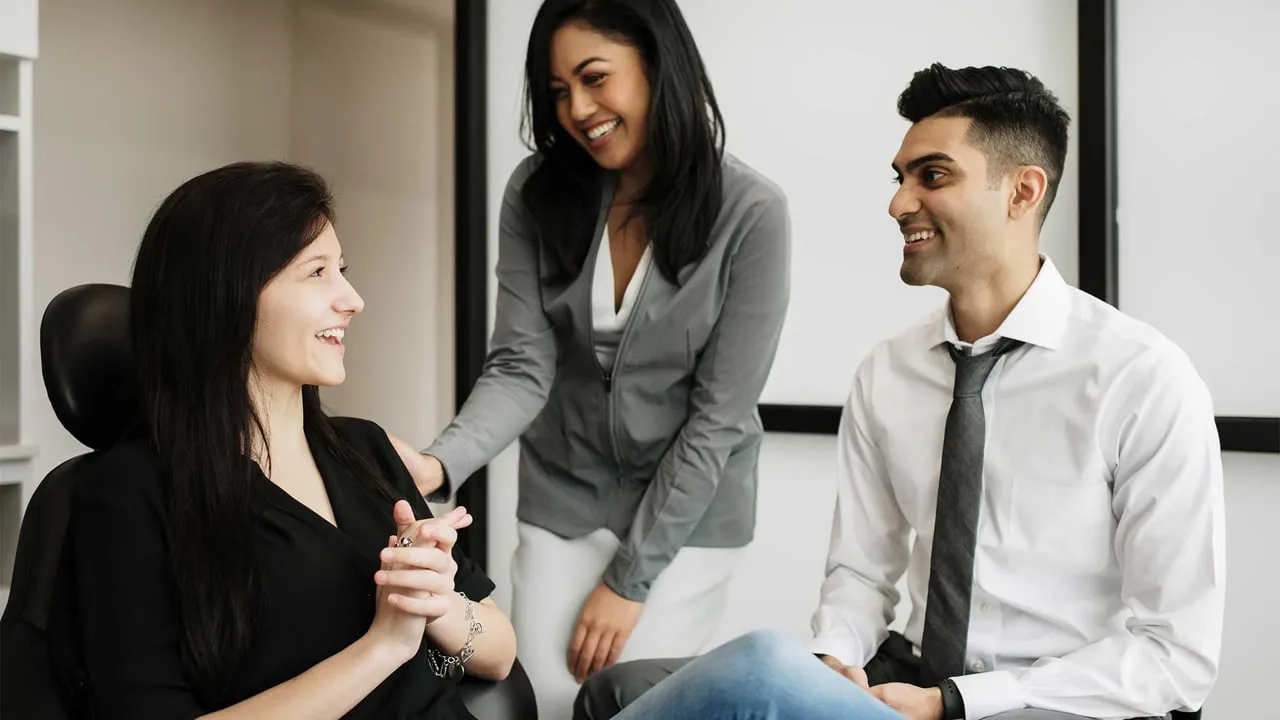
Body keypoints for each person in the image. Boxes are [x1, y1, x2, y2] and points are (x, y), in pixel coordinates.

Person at [576, 63, 1225, 720]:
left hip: (1051, 706)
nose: (898, 203)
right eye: (901, 177)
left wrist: (955, 702)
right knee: (618, 691)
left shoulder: (1141, 379)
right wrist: (835, 659)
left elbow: (1177, 657)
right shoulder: (889, 372)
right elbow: (860, 575)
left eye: (933, 176)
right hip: (905, 682)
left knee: (762, 673)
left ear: (1022, 193)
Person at [396, 1, 791, 717]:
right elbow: (520, 366)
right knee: (542, 697)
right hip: (563, 496)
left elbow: (717, 420)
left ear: (656, 64)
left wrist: (629, 582)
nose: (578, 108)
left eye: (595, 77)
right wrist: (437, 464)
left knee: (631, 704)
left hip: (688, 517)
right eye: (557, 91)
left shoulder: (751, 213)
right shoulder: (537, 193)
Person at [68, 161, 517, 719]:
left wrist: (436, 601)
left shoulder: (365, 450)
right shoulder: (129, 495)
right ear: (226, 296)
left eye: (343, 270)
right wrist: (382, 647)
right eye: (317, 273)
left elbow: (499, 655)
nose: (352, 299)